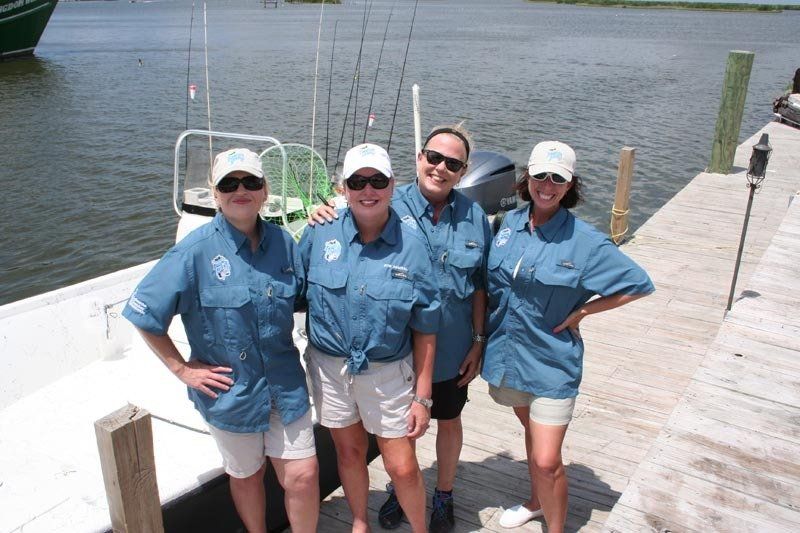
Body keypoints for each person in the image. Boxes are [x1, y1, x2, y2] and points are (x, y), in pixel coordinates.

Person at [122, 148, 319, 533]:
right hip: (231, 392)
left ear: (265, 191)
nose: (240, 190)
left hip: (285, 385)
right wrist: (181, 369)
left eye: (250, 182)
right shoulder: (192, 252)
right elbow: (144, 313)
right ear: (215, 193)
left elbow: (306, 297)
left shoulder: (284, 243)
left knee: (305, 474)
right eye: (229, 183)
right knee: (246, 475)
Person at [311, 125, 492, 532]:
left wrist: (479, 341)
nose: (440, 167)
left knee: (448, 418)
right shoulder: (390, 200)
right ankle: (398, 490)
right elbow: (351, 221)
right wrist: (320, 212)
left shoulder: (475, 216)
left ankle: (443, 494)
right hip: (391, 345)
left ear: (463, 171)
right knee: (400, 447)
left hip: (448, 345)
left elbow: (481, 284)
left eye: (453, 163)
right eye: (433, 157)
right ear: (418, 159)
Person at [481, 141, 654, 532]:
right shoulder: (507, 224)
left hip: (552, 363)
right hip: (508, 357)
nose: (547, 184)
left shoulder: (586, 241)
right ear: (528, 178)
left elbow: (638, 283)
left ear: (569, 184)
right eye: (540, 175)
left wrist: (585, 310)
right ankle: (535, 500)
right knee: (531, 434)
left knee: (546, 460)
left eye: (557, 178)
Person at [299, 143, 441, 533]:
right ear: (343, 188)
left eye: (377, 180)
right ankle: (360, 523)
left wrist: (423, 396)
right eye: (357, 181)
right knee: (349, 451)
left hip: (388, 372)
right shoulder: (318, 233)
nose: (368, 189)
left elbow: (426, 324)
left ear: (393, 185)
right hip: (329, 368)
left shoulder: (413, 246)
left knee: (402, 466)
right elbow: (287, 289)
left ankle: (419, 528)